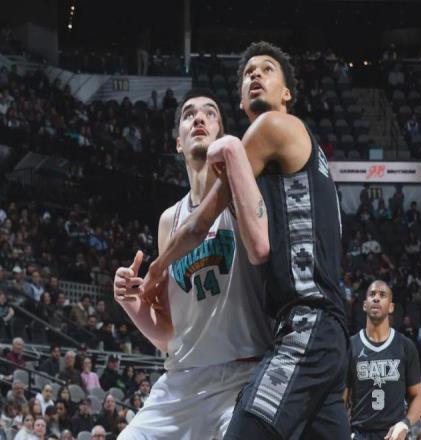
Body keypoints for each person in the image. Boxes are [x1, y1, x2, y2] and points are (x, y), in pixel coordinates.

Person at [143, 41, 349, 439]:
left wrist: (157, 268)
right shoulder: (297, 156)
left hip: (305, 324)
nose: (255, 74)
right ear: (240, 100)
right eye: (248, 72)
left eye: (267, 69)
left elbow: (201, 226)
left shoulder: (271, 127)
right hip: (328, 329)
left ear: (286, 93)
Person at [114, 89, 272, 439]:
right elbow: (170, 335)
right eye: (189, 114)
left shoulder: (241, 193)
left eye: (210, 113)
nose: (199, 118)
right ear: (178, 143)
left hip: (243, 374)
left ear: (221, 134)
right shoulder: (168, 220)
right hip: (183, 379)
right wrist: (130, 302)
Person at [344, 280, 421, 440]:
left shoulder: (405, 346)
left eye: (382, 295)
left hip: (394, 434)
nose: (376, 298)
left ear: (391, 307)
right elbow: (341, 399)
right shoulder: (350, 346)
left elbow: (418, 396)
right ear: (364, 305)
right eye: (372, 294)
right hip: (359, 434)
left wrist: (405, 424)